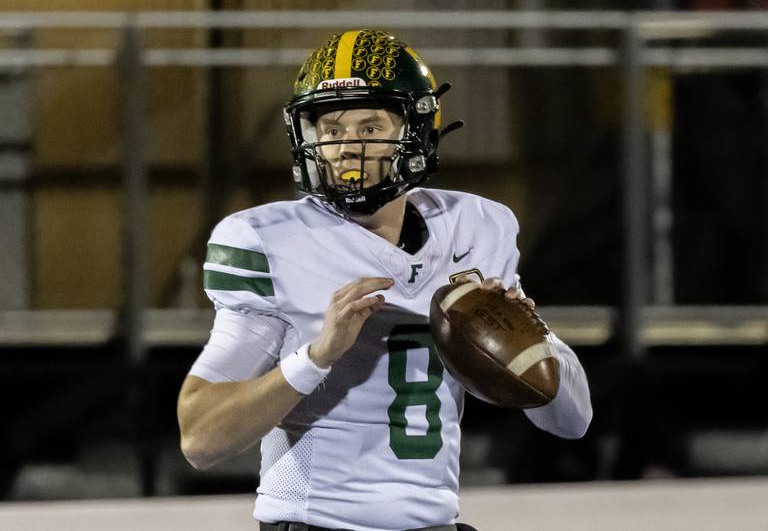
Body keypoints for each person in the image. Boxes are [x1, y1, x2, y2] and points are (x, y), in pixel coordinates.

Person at [177, 29, 592, 531]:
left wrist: (529, 339)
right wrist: (315, 358)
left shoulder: (477, 229)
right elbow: (200, 439)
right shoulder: (268, 241)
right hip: (314, 524)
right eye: (331, 130)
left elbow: (572, 420)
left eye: (370, 128)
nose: (348, 147)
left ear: (416, 131)